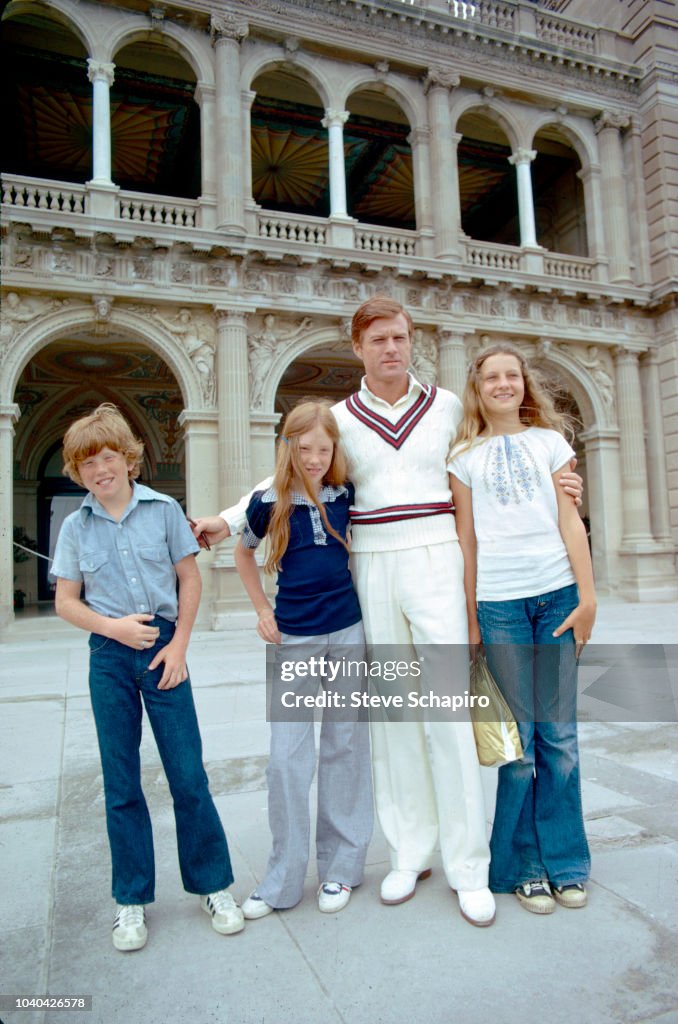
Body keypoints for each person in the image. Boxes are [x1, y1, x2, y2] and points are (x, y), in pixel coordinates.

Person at [192, 297, 583, 927]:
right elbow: (289, 478)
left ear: (413, 341)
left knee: (449, 716)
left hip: (436, 556)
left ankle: (468, 864)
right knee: (396, 718)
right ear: (358, 348)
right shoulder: (341, 418)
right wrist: (229, 519)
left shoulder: (450, 407)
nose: (391, 348)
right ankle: (409, 852)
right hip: (372, 560)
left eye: (400, 337)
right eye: (378, 340)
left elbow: (499, 454)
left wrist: (564, 481)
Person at [50, 403, 244, 951]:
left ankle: (214, 886)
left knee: (188, 774)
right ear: (77, 470)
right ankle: (131, 900)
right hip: (108, 657)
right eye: (87, 463)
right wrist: (111, 628)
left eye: (108, 457)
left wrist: (179, 645)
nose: (99, 470)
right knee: (121, 781)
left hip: (163, 651)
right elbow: (66, 601)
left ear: (129, 460)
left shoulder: (162, 511)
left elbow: (189, 580)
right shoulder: (75, 526)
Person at [449, 344, 595, 915]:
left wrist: (588, 597)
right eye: (492, 377)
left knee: (560, 739)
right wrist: (470, 621)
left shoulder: (551, 444)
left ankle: (566, 862)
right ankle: (521, 866)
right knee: (521, 745)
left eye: (512, 375)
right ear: (478, 387)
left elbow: (570, 521)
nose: (503, 384)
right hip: (500, 605)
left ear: (523, 384)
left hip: (557, 596)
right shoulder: (463, 457)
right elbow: (467, 541)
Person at [234, 401, 373, 919]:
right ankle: (282, 880)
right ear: (287, 447)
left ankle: (341, 869)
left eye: (323, 448)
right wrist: (260, 609)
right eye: (305, 448)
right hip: (294, 638)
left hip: (349, 630)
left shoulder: (346, 494)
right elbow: (243, 551)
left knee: (346, 745)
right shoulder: (266, 501)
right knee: (287, 760)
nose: (314, 458)